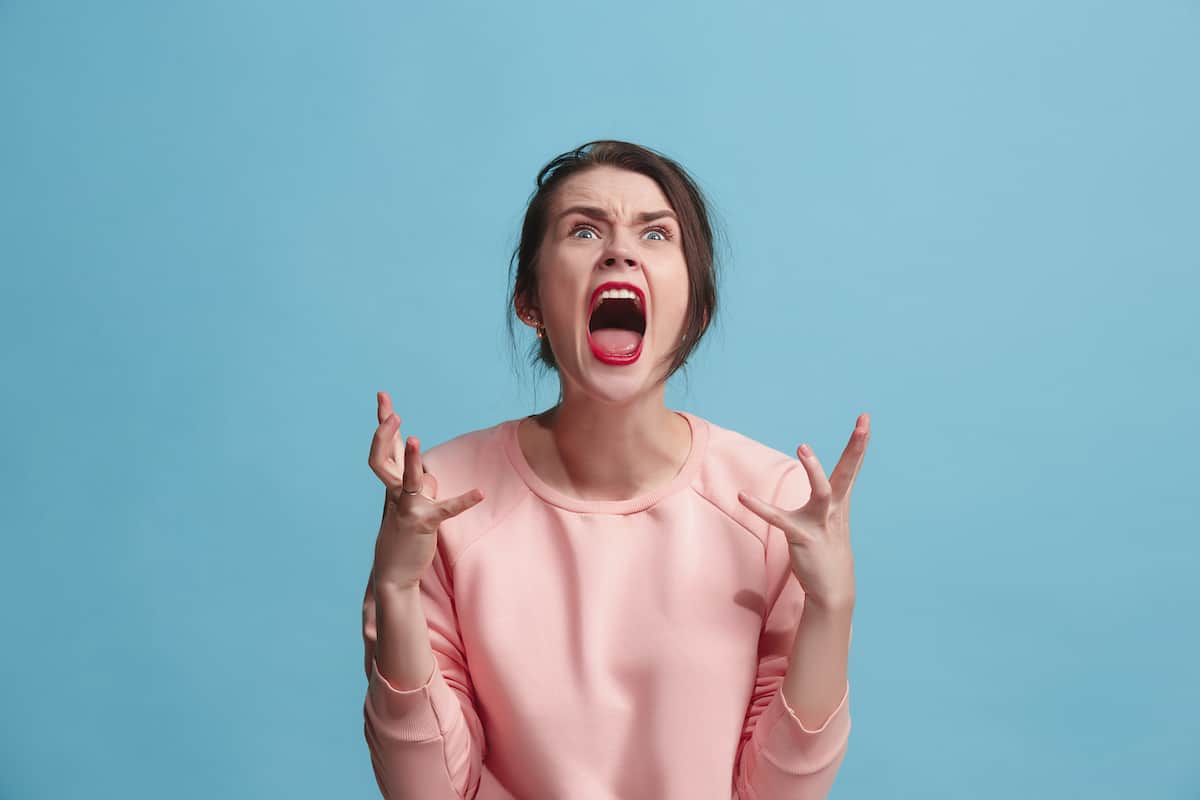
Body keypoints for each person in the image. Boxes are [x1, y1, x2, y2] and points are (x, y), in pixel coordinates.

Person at [361, 140, 870, 799]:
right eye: (583, 229)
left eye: (656, 233)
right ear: (531, 302)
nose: (620, 251)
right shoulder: (440, 496)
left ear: (697, 311)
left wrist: (832, 607)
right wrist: (397, 592)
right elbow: (427, 792)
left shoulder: (776, 503)